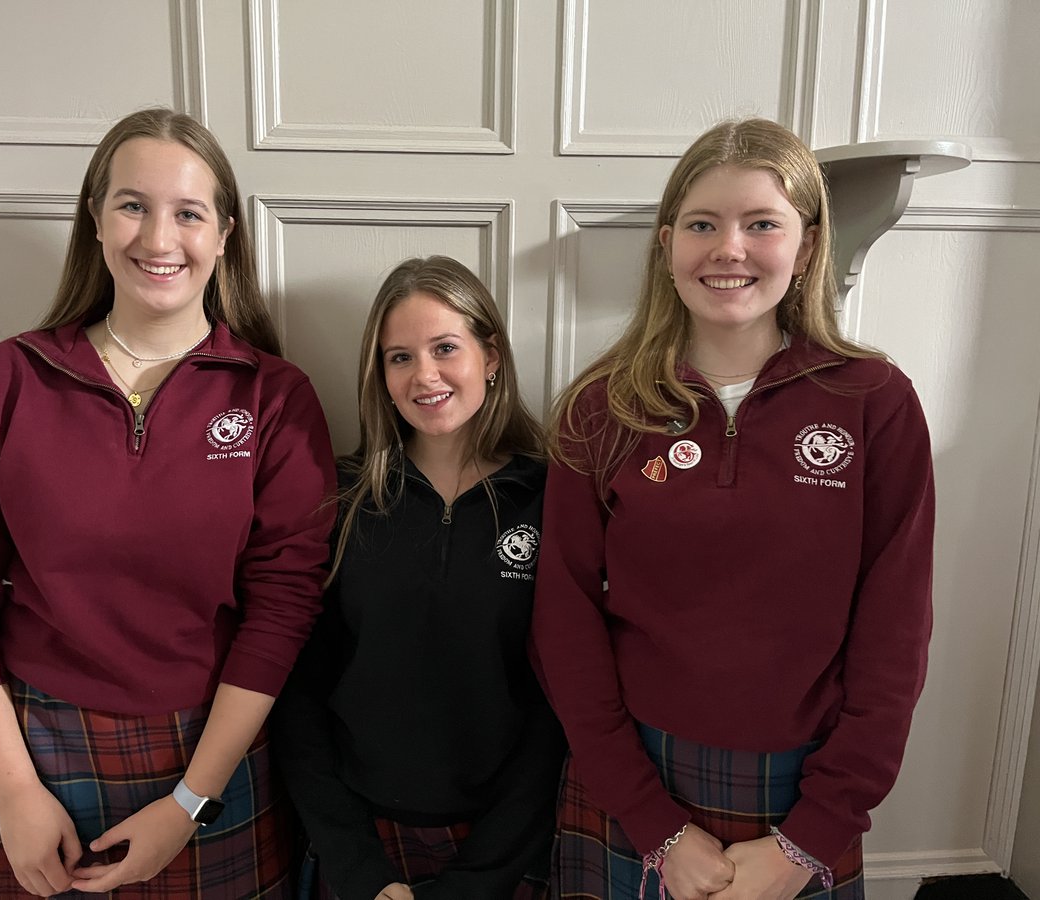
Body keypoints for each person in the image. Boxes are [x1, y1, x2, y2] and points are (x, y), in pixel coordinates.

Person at [0, 108, 335, 898]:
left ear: (226, 232)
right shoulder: (9, 380)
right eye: (133, 205)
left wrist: (188, 804)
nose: (158, 238)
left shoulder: (275, 397)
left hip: (213, 754)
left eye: (188, 212)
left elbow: (282, 610)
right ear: (95, 220)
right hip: (37, 756)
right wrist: (13, 792)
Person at [531, 118, 934, 900]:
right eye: (703, 225)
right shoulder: (600, 408)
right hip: (631, 779)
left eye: (762, 224)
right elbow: (564, 622)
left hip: (806, 787)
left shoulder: (873, 404)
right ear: (665, 241)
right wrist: (654, 823)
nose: (730, 249)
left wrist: (813, 836)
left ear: (808, 246)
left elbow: (897, 635)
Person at [272, 256, 566, 900]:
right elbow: (299, 694)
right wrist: (359, 869)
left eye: (445, 348)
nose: (424, 375)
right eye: (399, 357)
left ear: (491, 356)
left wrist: (478, 879)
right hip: (362, 841)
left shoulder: (550, 497)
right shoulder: (341, 498)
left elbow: (558, 706)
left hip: (508, 844)